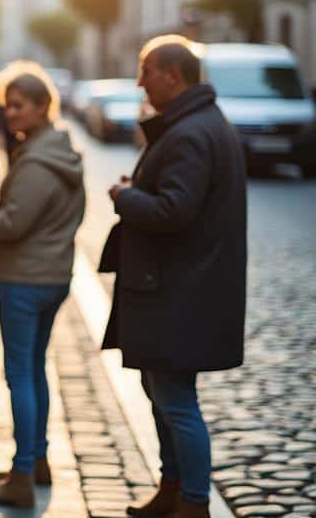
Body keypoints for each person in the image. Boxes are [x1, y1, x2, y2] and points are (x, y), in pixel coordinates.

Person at [104, 35, 246, 518]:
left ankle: (193, 503)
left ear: (173, 75)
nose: (140, 79)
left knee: (177, 401)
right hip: (178, 288)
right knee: (161, 394)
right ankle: (173, 487)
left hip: (180, 291)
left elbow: (174, 209)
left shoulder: (190, 133)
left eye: (146, 69)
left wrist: (125, 196)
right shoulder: (197, 124)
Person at [0, 61, 86, 507]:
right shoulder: (56, 151)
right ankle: (35, 458)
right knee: (34, 371)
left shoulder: (39, 161)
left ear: (44, 107)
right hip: (52, 276)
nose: (11, 113)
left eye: (19, 105)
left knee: (20, 375)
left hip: (25, 279)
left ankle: (23, 473)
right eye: (8, 105)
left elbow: (14, 223)